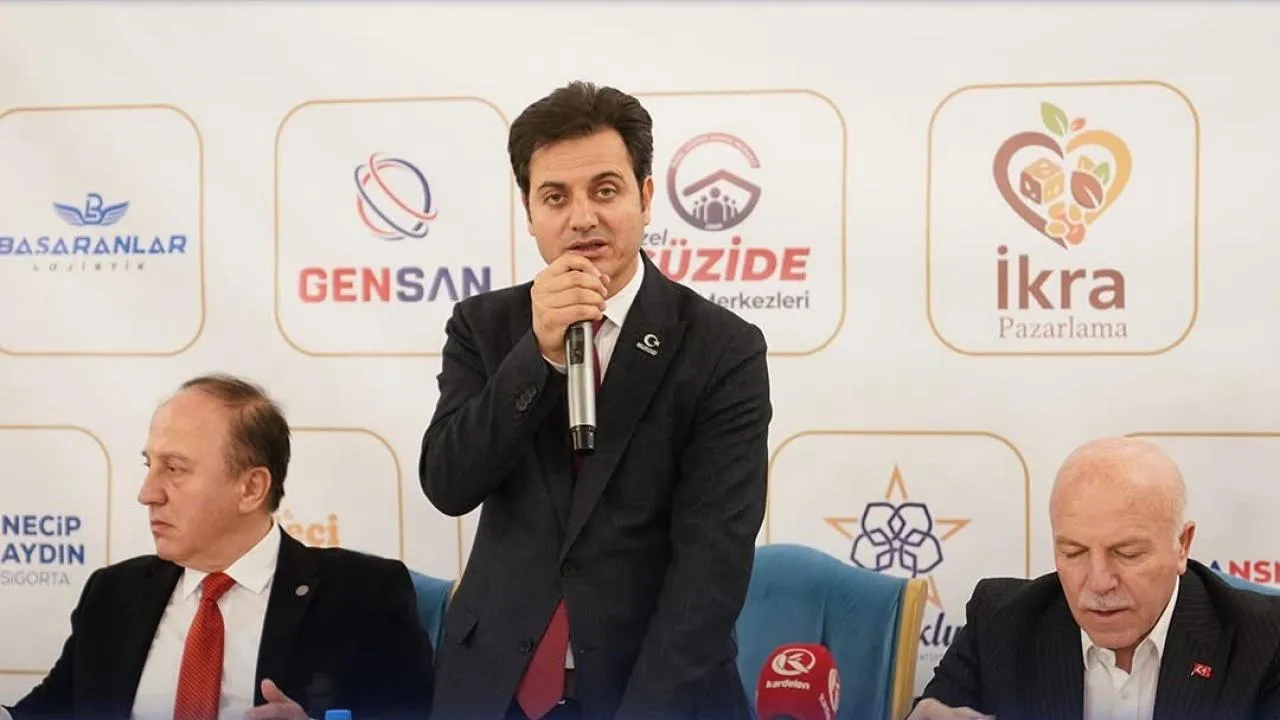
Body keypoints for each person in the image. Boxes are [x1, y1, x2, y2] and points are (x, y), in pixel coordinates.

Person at [419, 80, 772, 720]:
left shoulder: (722, 348)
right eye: (555, 197)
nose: (581, 217)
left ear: (645, 197)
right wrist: (539, 355)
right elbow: (449, 484)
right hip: (494, 689)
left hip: (654, 690)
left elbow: (710, 568)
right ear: (529, 212)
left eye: (604, 190)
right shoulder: (483, 327)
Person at [4, 374, 435, 720]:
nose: (147, 493)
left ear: (251, 488)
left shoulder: (364, 595)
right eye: (149, 465)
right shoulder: (113, 593)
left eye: (174, 469)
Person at [909, 436, 1280, 720]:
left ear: (1182, 545)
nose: (1099, 582)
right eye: (1074, 552)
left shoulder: (1264, 641)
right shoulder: (1000, 623)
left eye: (1127, 553)